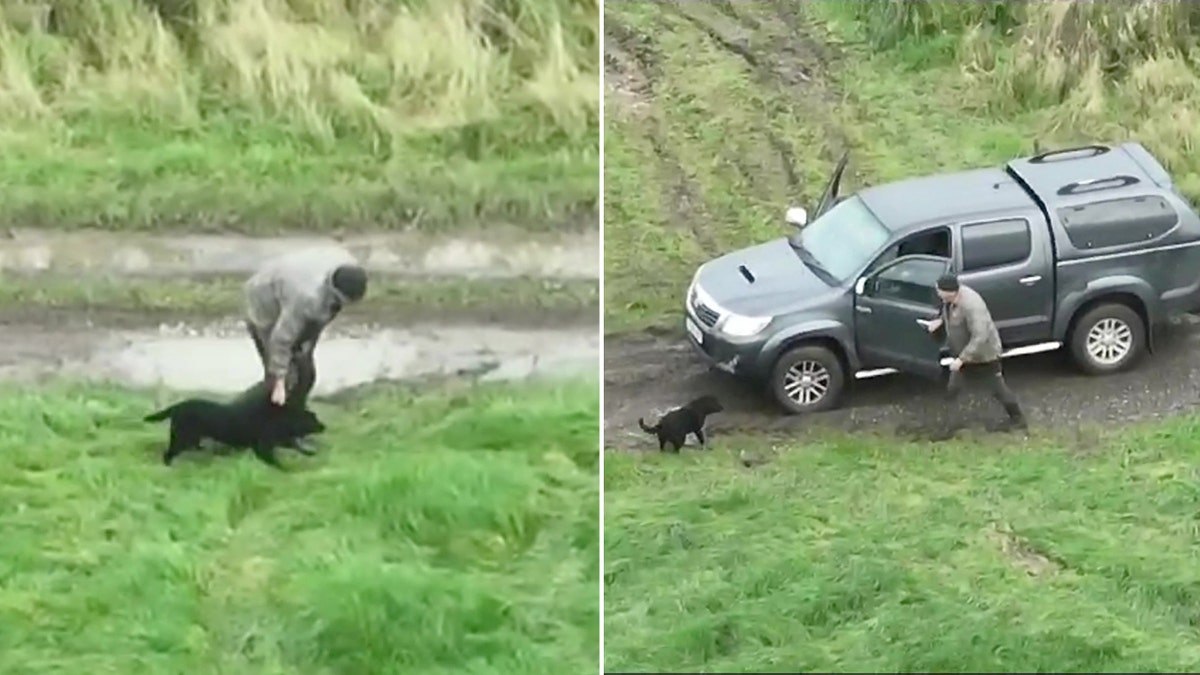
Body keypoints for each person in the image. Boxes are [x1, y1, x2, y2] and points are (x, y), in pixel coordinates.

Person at [243, 246, 368, 415]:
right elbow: (281, 340)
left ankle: (295, 416)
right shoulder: (306, 297)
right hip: (264, 299)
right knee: (288, 378)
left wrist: (306, 345)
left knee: (305, 371)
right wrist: (279, 379)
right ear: (334, 292)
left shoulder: (349, 267)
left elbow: (322, 316)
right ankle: (271, 422)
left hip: (294, 283)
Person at [924, 273, 1027, 432]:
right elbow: (948, 313)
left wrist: (961, 359)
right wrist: (940, 321)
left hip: (984, 355)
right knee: (953, 387)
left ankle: (1018, 419)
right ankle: (948, 425)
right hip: (964, 355)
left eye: (939, 291)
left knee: (998, 389)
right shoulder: (950, 300)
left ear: (949, 291)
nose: (937, 293)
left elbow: (980, 336)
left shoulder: (972, 306)